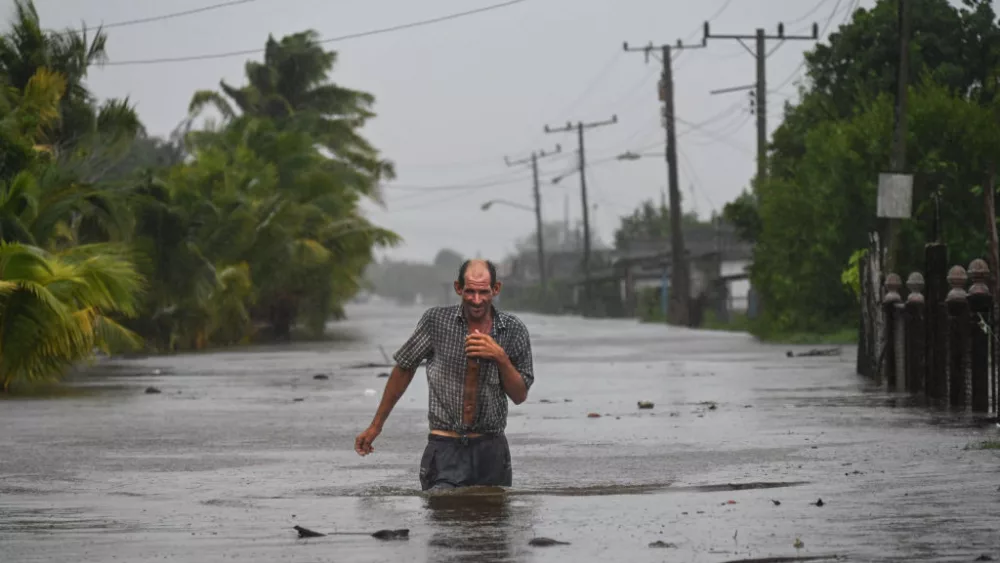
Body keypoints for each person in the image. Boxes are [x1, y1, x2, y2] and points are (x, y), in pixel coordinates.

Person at [354, 259, 534, 491]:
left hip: (491, 449)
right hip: (445, 447)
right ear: (458, 288)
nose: (476, 300)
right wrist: (376, 426)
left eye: (483, 292)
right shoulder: (436, 322)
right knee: (442, 519)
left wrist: (500, 357)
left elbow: (519, 395)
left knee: (492, 524)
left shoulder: (513, 329)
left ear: (496, 289)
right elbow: (404, 368)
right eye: (470, 291)